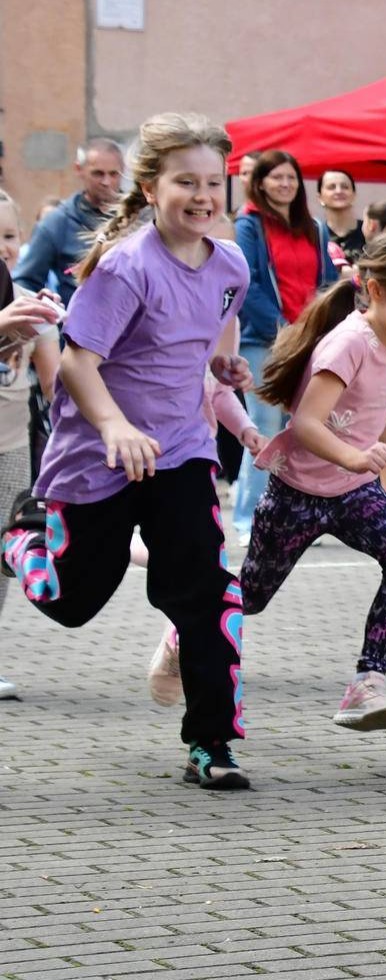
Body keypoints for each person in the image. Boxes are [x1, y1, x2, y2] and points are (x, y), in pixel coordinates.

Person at [1, 113, 252, 788]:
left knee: (207, 594)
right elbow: (81, 362)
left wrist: (224, 369)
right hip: (99, 456)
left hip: (180, 452)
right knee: (72, 600)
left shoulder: (230, 263)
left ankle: (212, 742)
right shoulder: (126, 267)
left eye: (213, 183)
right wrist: (114, 428)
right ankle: (21, 538)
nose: (203, 196)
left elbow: (214, 330)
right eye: (185, 182)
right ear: (150, 188)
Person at [201, 232, 386, 734]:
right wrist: (355, 457)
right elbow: (307, 424)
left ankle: (366, 683)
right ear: (375, 291)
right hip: (299, 494)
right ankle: (187, 631)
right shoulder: (348, 343)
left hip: (354, 492)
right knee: (252, 596)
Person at [232, 150, 340, 543]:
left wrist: (321, 329)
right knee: (263, 428)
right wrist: (286, 331)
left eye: (291, 178)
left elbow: (327, 283)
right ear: (260, 183)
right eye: (276, 178)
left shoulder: (314, 226)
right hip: (265, 342)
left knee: (308, 428)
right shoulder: (249, 225)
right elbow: (248, 284)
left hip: (310, 342)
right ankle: (249, 519)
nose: (284, 184)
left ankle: (298, 516)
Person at [0, 189, 64, 701]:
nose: (3, 247)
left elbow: (56, 382)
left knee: (4, 548)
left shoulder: (23, 295)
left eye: (9, 236)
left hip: (11, 442)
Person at [12, 137, 125, 302]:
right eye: (98, 173)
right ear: (79, 169)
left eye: (114, 174)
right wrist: (45, 311)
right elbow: (25, 281)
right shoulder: (56, 223)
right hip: (79, 322)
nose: (106, 182)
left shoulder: (143, 216)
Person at [317, 170, 366, 269]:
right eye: (331, 187)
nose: (339, 191)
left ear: (354, 195)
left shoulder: (370, 231)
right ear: (320, 197)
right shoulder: (315, 234)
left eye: (345, 187)